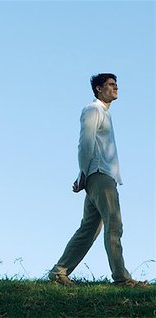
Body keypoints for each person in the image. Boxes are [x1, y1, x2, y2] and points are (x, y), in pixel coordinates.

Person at [48, 73, 147, 287]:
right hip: (100, 176)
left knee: (89, 229)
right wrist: (83, 173)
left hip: (100, 175)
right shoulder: (93, 110)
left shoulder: (104, 113)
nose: (116, 88)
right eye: (111, 85)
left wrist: (83, 174)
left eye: (116, 85)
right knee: (114, 224)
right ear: (99, 89)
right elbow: (85, 143)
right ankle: (122, 278)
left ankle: (59, 272)